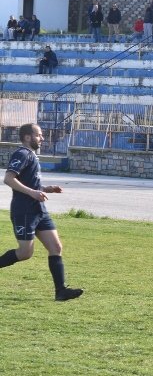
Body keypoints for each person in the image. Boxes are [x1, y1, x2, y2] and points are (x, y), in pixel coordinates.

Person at [1, 123, 83, 301]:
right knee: (25, 253)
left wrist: (46, 188)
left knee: (56, 247)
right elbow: (8, 179)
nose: (42, 138)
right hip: (24, 211)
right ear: (28, 137)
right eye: (39, 135)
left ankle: (61, 291)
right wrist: (33, 193)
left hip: (39, 210)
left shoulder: (32, 156)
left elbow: (30, 183)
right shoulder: (22, 154)